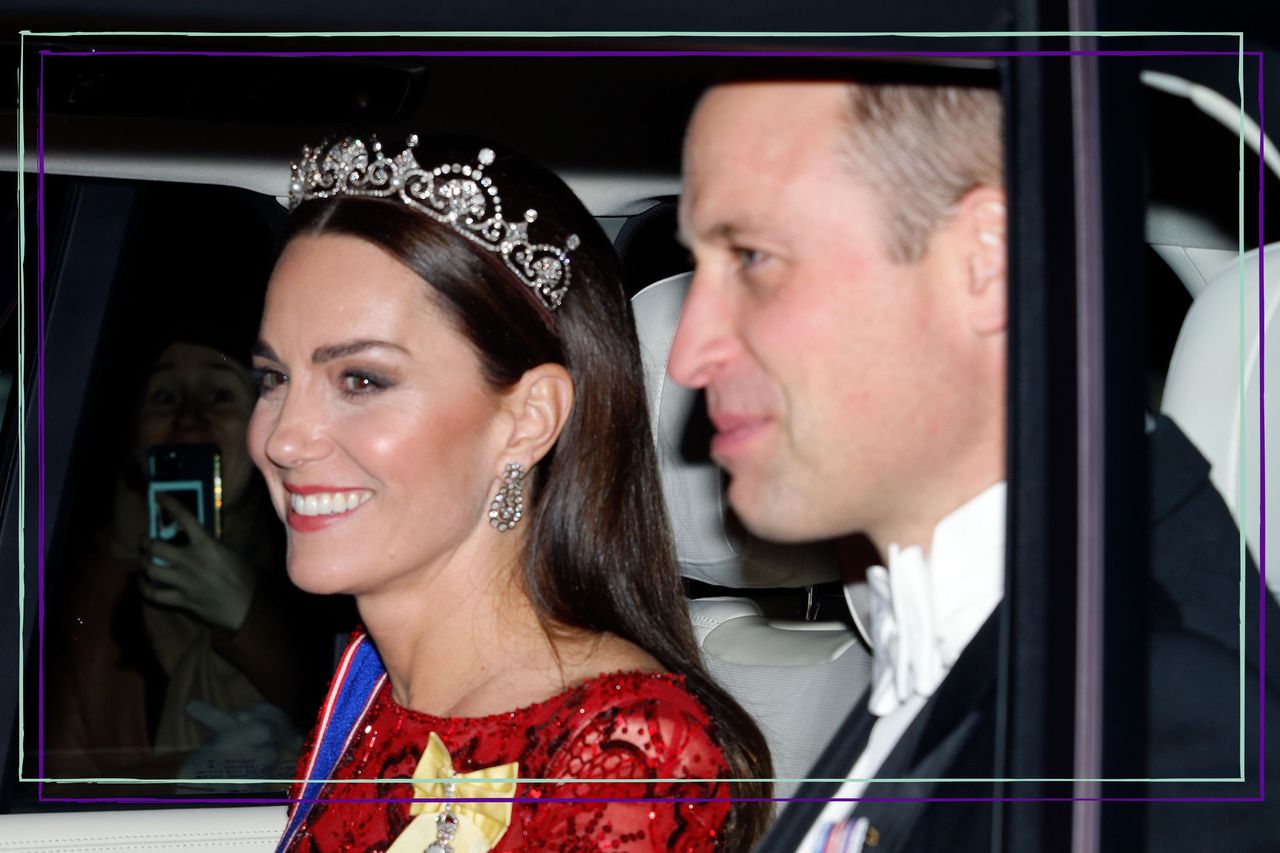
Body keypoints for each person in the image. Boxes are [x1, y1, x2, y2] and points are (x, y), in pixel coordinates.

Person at [669, 70, 1280, 851]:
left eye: (753, 257)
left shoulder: (1156, 739)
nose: (687, 355)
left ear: (986, 260)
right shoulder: (963, 642)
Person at [252, 134, 772, 852]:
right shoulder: (371, 691)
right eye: (273, 379)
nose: (284, 437)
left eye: (361, 380)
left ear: (527, 421)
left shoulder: (626, 756)